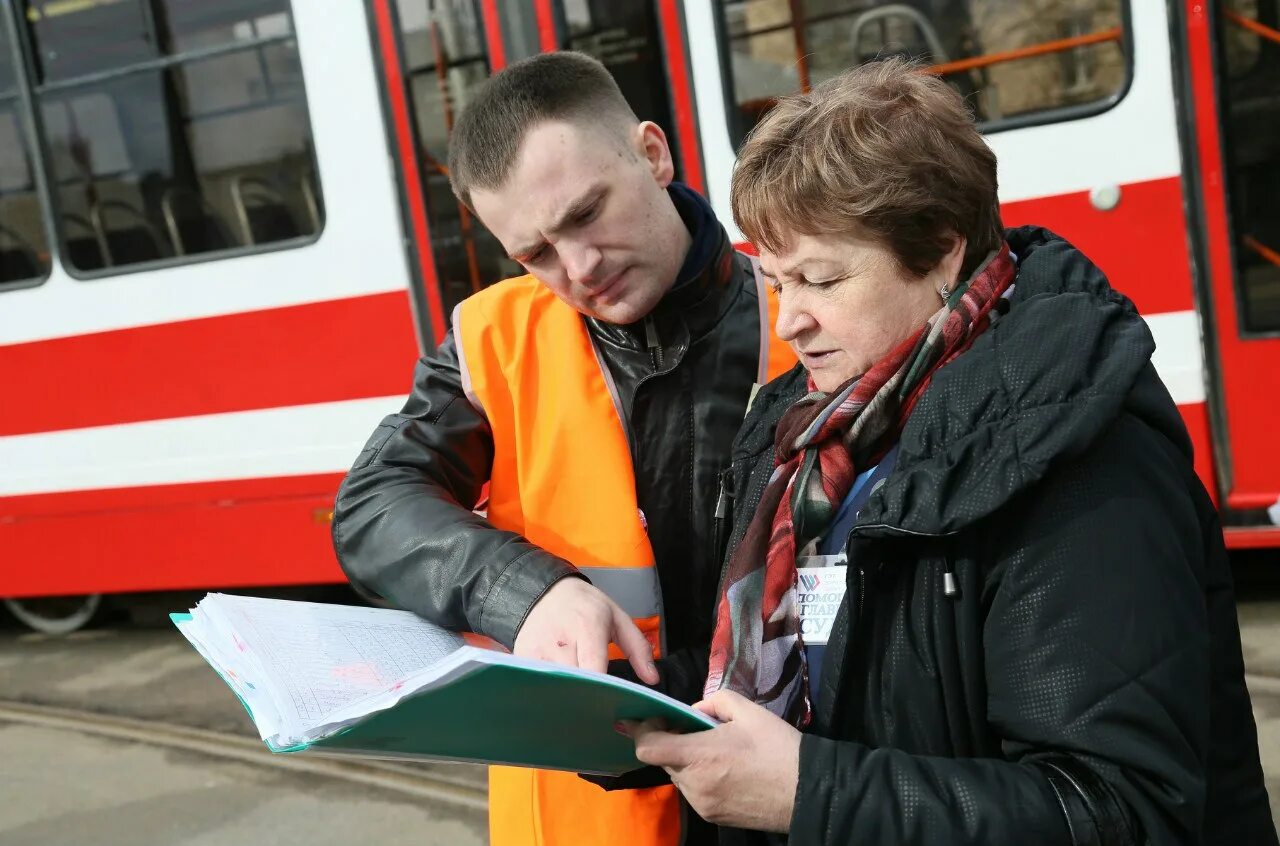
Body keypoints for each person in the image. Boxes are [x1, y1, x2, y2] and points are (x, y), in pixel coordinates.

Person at [624, 58, 1278, 845]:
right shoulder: (806, 427)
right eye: (775, 283)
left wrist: (809, 792)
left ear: (940, 250)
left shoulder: (1075, 450)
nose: (789, 320)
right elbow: (826, 654)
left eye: (820, 280)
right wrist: (631, 701)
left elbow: (1122, 811)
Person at [331, 52, 794, 846]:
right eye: (536, 254)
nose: (578, 268)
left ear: (653, 153)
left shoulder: (805, 311)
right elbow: (373, 505)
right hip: (591, 818)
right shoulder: (491, 340)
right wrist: (523, 591)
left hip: (778, 798)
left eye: (586, 214)